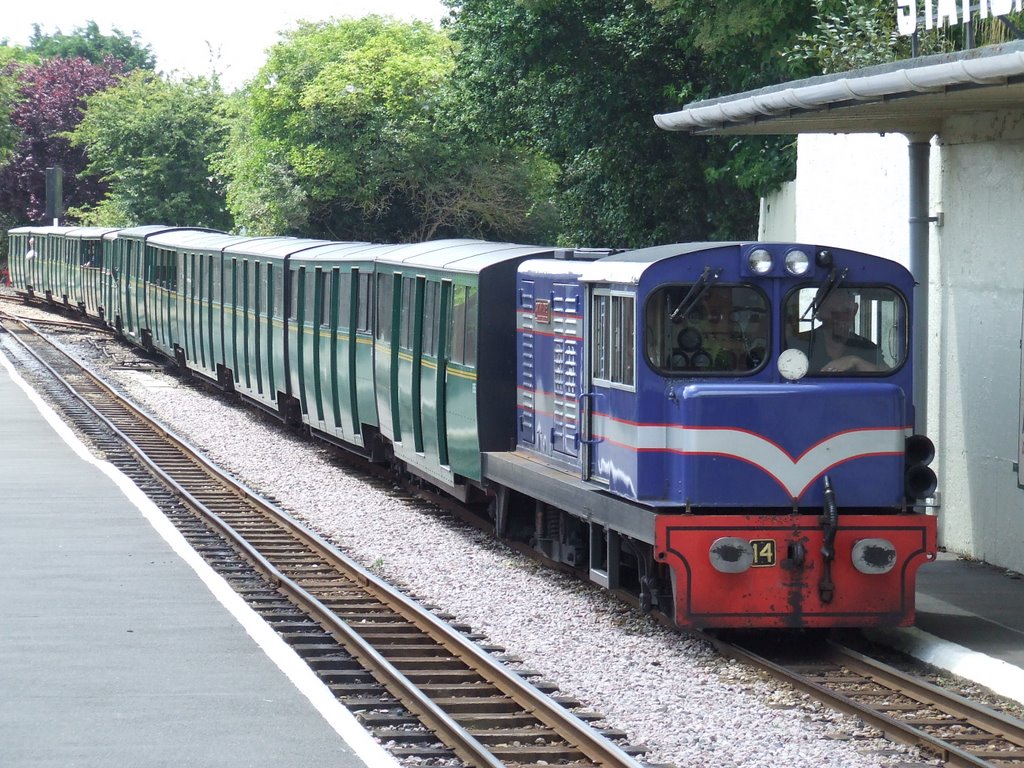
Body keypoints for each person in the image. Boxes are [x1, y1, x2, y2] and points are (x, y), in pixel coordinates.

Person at [795, 290, 884, 373]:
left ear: (854, 311)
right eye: (832, 312)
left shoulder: (868, 348)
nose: (840, 318)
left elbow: (889, 376)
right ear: (819, 312)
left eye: (845, 311)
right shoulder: (799, 344)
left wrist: (855, 361)